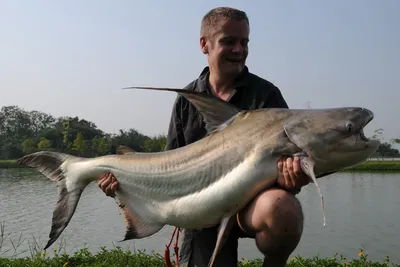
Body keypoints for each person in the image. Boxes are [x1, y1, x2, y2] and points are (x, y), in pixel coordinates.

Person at [98, 7, 310, 267]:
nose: (238, 50)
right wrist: (122, 187)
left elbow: (291, 164)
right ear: (204, 44)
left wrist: (293, 179)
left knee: (284, 208)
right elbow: (167, 168)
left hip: (254, 205)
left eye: (244, 42)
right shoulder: (187, 99)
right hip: (202, 209)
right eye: (228, 41)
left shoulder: (266, 96)